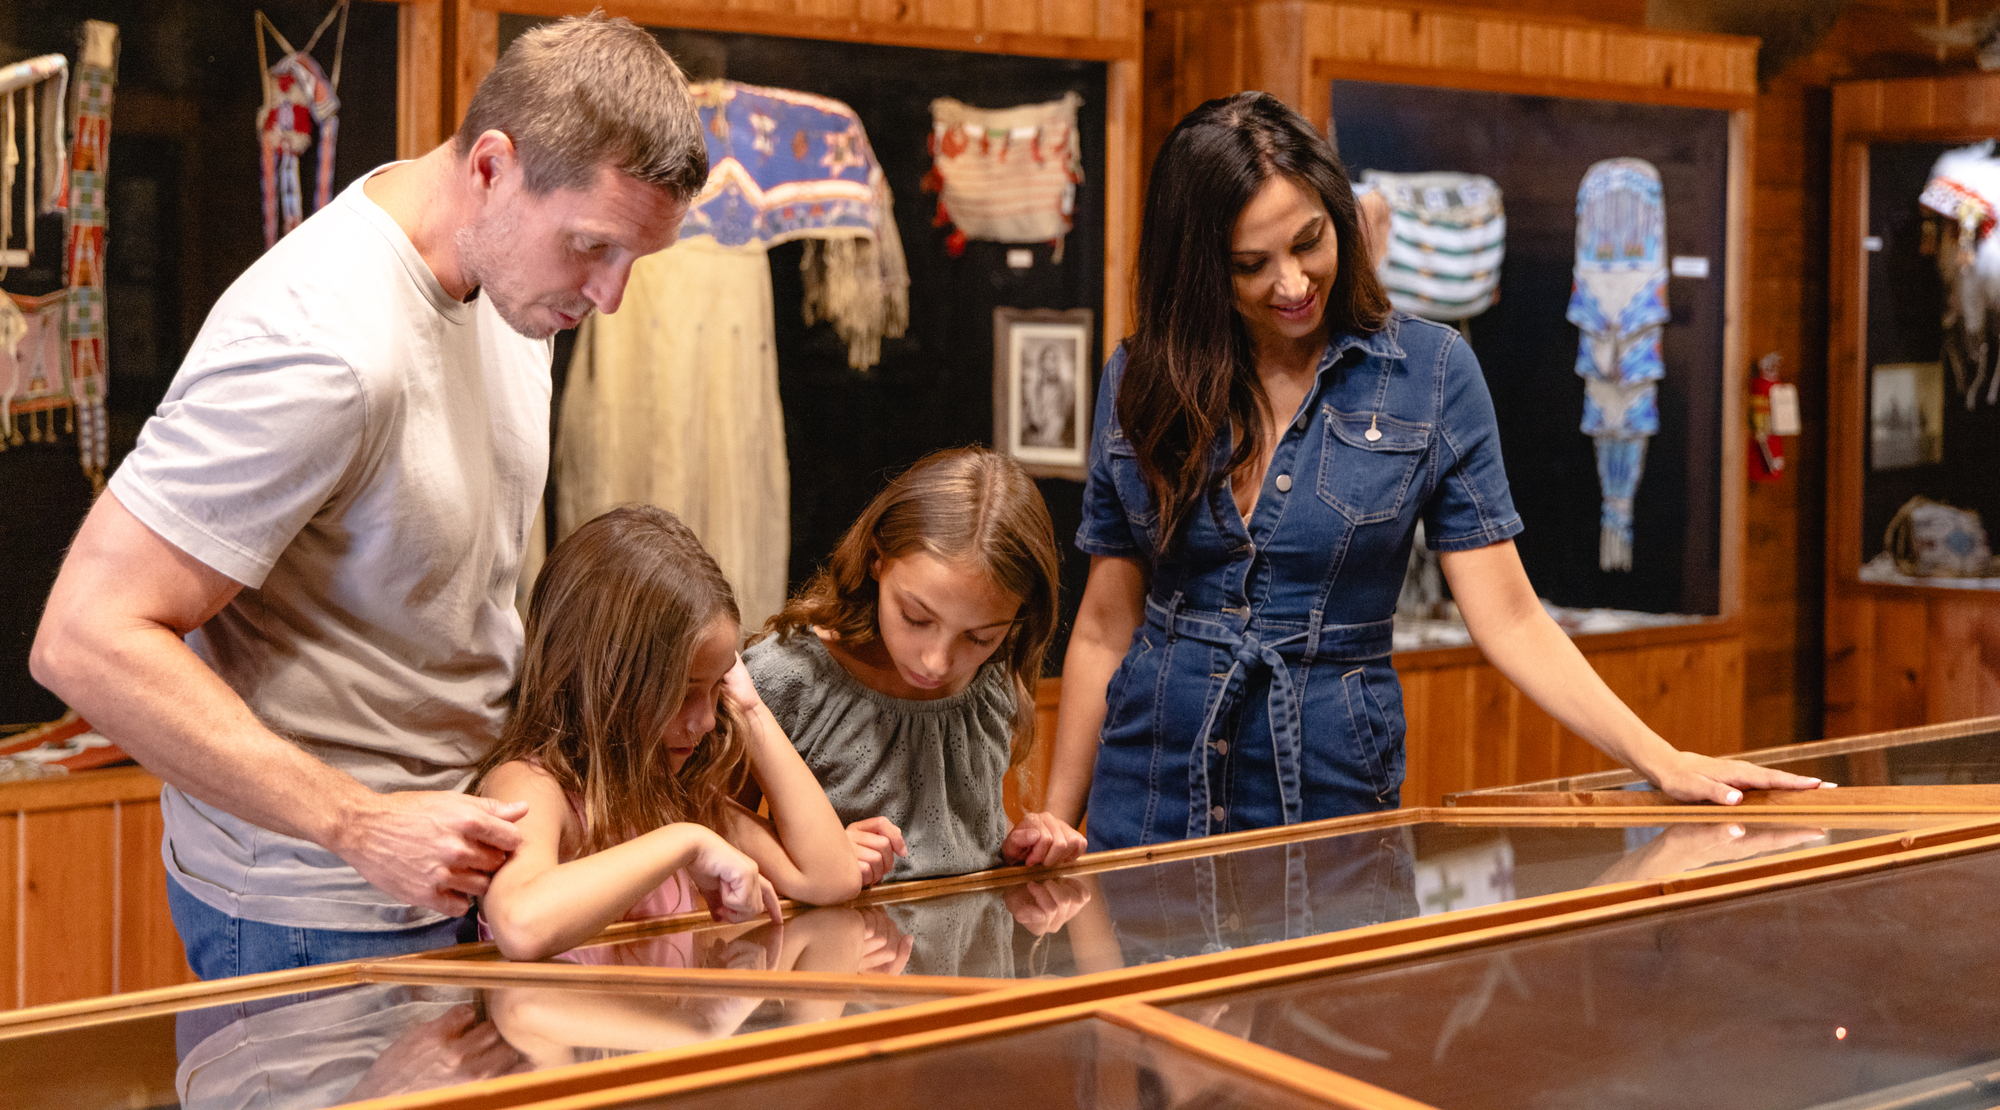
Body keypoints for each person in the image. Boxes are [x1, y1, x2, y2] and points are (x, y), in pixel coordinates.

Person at [29, 14, 709, 977]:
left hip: (455, 865)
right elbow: (85, 639)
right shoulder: (324, 343)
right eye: (592, 248)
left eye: (634, 259)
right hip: (309, 904)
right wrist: (357, 824)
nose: (610, 297)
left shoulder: (514, 285)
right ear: (491, 167)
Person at [1044, 92, 1824, 850]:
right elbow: (1108, 625)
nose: (1292, 283)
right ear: (1199, 266)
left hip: (1328, 799)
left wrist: (1660, 759)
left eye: (1310, 241)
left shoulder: (1430, 372)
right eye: (1252, 264)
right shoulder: (1144, 377)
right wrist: (1058, 820)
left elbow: (1511, 618)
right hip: (1148, 799)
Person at [473, 505, 861, 961]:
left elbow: (832, 878)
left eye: (718, 689)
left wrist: (752, 711)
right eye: (683, 692)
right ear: (605, 680)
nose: (710, 721)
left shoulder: (677, 799)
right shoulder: (533, 786)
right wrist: (685, 843)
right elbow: (522, 924)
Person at [743, 447, 1088, 885]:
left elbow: (962, 848)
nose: (937, 662)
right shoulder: (787, 676)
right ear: (876, 559)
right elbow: (713, 822)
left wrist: (1027, 846)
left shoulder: (993, 678)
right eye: (916, 618)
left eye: (979, 637)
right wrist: (822, 852)